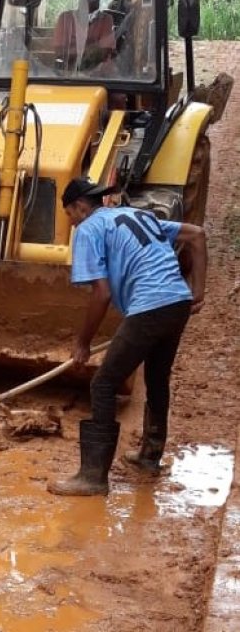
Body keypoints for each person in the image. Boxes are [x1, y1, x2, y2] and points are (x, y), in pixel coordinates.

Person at [47, 176, 207, 497]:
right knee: (157, 378)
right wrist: (198, 293)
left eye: (69, 214)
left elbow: (102, 293)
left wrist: (83, 343)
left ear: (80, 207)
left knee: (103, 384)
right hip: (176, 301)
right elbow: (197, 234)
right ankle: (150, 456)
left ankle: (93, 477)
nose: (71, 221)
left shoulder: (89, 228)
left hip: (149, 305)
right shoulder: (140, 214)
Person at [53, 0, 116, 73]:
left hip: (98, 72)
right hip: (67, 71)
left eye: (93, 2)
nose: (88, 4)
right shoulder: (65, 18)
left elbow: (104, 51)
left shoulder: (106, 19)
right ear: (80, 2)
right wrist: (91, 47)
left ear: (98, 5)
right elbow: (60, 51)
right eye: (85, 1)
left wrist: (73, 49)